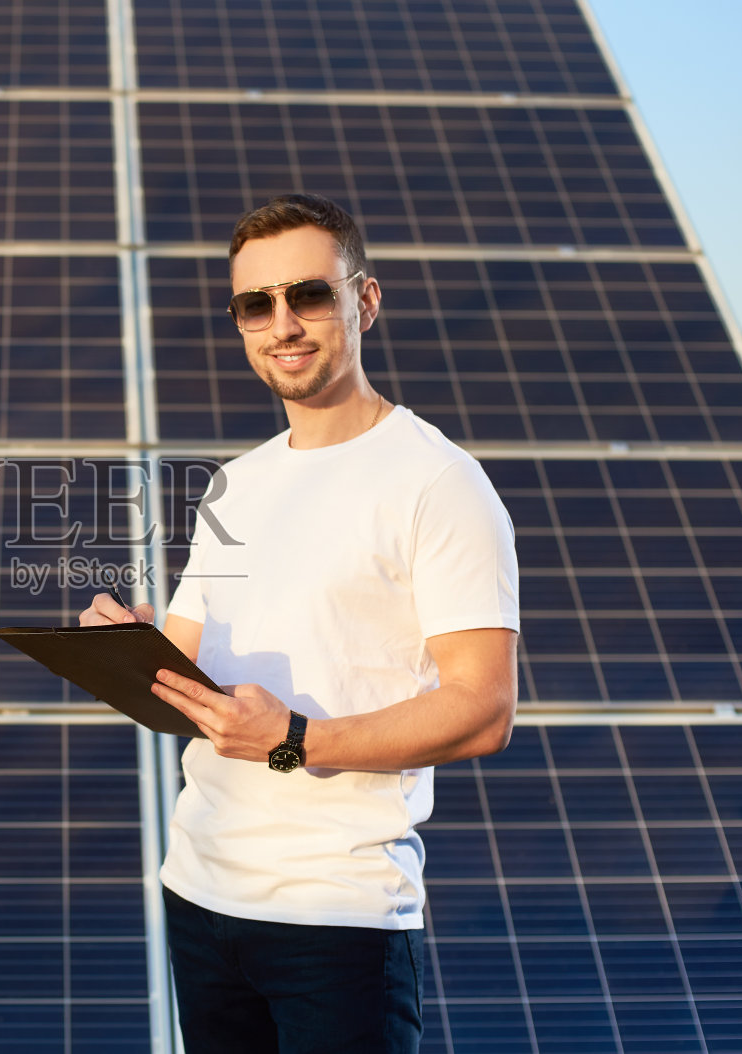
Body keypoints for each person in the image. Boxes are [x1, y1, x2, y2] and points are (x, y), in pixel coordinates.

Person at [79, 193, 520, 1053]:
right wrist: (124, 656)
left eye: (308, 295)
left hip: (336, 918)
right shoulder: (235, 484)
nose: (283, 323)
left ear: (365, 300)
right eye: (256, 304)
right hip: (201, 895)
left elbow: (484, 709)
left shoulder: (439, 484)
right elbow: (189, 676)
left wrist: (293, 739)